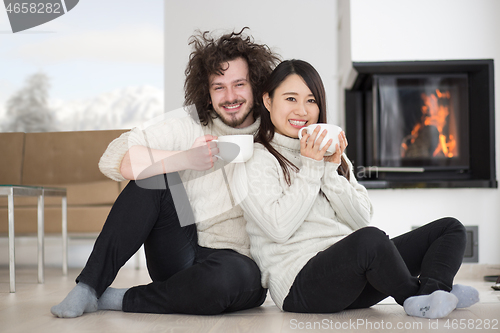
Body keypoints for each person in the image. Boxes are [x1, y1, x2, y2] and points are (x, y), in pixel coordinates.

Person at [51, 28, 280, 317]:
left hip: (237, 264)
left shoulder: (273, 133)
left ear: (256, 87)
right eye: (219, 87)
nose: (230, 96)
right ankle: (89, 287)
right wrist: (185, 158)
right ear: (207, 94)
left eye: (239, 84)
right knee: (154, 176)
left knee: (230, 279)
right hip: (181, 250)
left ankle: (120, 299)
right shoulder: (189, 124)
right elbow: (116, 159)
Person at [233, 59, 479, 318]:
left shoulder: (328, 152)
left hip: (353, 276)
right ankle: (419, 297)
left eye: (311, 100)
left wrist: (329, 172)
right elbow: (279, 229)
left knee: (449, 229)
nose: (302, 111)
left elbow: (361, 219)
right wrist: (312, 168)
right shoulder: (255, 159)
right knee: (371, 240)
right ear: (268, 101)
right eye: (291, 99)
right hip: (301, 287)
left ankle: (435, 291)